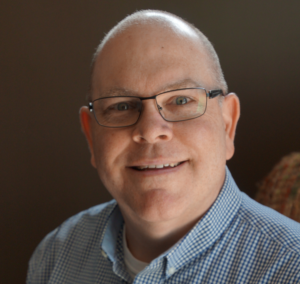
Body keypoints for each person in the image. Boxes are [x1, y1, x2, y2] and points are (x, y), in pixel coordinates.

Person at [27, 10, 300, 283]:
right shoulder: (55, 255)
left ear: (227, 125)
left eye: (181, 100)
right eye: (121, 106)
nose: (150, 131)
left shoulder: (292, 268)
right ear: (90, 135)